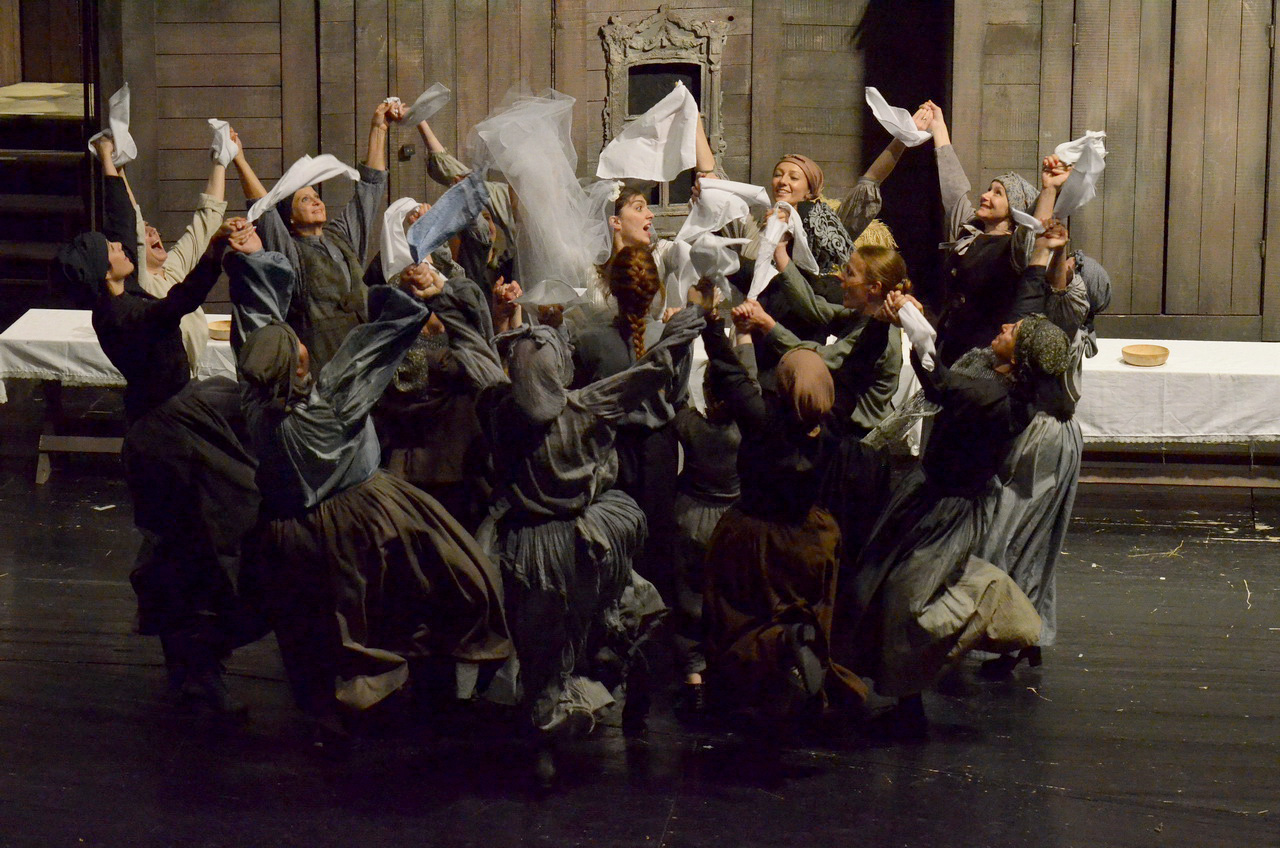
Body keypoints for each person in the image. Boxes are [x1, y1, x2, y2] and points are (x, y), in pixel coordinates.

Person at [224, 225, 509, 748]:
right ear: (300, 366)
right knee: (421, 585)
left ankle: (323, 713)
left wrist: (254, 261)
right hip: (355, 518)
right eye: (300, 347)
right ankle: (403, 694)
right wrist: (402, 301)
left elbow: (258, 326)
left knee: (308, 624)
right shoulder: (329, 407)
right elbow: (371, 350)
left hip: (286, 530)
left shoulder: (257, 398)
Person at [429, 278, 704, 782]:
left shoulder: (498, 406)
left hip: (524, 547)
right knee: (600, 621)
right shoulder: (583, 408)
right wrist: (679, 334)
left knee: (540, 651)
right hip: (577, 544)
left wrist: (453, 300)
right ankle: (596, 701)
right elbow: (646, 375)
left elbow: (474, 354)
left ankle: (545, 743)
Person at [54, 136, 262, 715]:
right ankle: (197, 667)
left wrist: (108, 165)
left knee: (192, 545)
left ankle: (197, 666)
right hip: (169, 438)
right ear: (105, 271)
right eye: (112, 249)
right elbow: (178, 303)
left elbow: (121, 222)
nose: (124, 245)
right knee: (198, 541)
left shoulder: (117, 292)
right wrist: (215, 255)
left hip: (172, 423)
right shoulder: (123, 314)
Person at [846, 290, 1070, 736]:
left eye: (1014, 331)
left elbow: (943, 384)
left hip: (946, 511)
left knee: (907, 600)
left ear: (1019, 358)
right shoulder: (996, 379)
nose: (1004, 326)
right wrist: (917, 317)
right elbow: (947, 379)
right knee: (883, 585)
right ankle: (905, 704)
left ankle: (986, 603)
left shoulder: (997, 399)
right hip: (929, 496)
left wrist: (915, 331)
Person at [698, 306, 867, 728]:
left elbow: (729, 374)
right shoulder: (831, 426)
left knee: (739, 615)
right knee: (795, 607)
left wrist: (710, 321)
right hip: (808, 536)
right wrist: (879, 325)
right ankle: (792, 661)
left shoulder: (762, 424)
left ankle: (763, 669)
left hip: (754, 536)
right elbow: (857, 371)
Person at [976, 220, 1108, 676]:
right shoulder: (1055, 321)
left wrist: (1058, 252)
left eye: (1074, 266)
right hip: (1047, 437)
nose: (1066, 267)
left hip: (1045, 440)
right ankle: (1025, 634)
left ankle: (1013, 637)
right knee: (1026, 539)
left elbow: (1062, 289)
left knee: (1012, 538)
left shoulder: (1067, 321)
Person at [235, 101, 400, 369]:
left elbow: (369, 190)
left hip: (364, 356)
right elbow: (264, 210)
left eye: (316, 196)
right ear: (290, 217)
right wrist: (239, 160)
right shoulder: (290, 251)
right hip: (323, 363)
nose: (316, 201)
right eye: (305, 200)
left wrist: (379, 129)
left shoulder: (340, 236)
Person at [920, 100, 1067, 366]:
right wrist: (938, 128)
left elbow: (1035, 233)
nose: (986, 195)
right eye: (989, 189)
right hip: (950, 347)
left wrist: (1049, 189)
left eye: (998, 193)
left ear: (1015, 209)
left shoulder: (1015, 249)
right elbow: (953, 191)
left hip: (986, 357)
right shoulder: (969, 231)